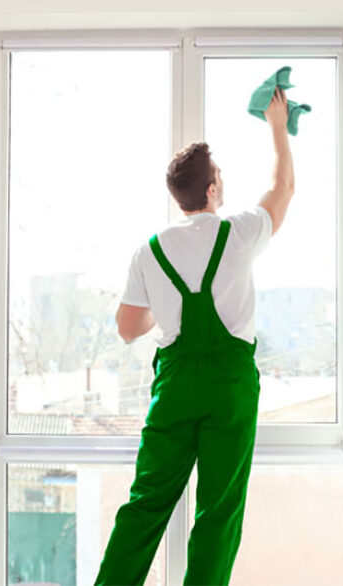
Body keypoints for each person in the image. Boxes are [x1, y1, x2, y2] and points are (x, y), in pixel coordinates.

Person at [95, 86, 295, 586]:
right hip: (228, 389)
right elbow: (283, 189)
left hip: (175, 389)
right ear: (210, 190)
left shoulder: (149, 252)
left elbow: (127, 328)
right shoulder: (242, 230)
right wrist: (277, 127)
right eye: (220, 177)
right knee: (217, 512)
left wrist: (164, 308)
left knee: (146, 504)